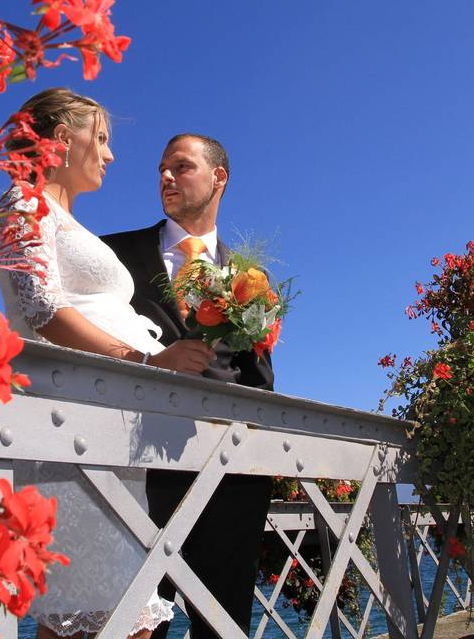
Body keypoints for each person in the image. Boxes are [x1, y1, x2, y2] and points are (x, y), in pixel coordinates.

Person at [0, 88, 216, 639]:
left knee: (114, 616)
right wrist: (146, 359)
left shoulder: (65, 218)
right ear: (64, 140)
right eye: (104, 138)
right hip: (71, 432)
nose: (111, 155)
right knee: (101, 616)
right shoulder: (23, 203)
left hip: (110, 433)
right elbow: (40, 309)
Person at [101, 134, 275, 638]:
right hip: (134, 470)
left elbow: (259, 380)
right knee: (134, 623)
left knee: (222, 624)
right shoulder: (115, 253)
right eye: (161, 168)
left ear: (219, 177)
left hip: (230, 478)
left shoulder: (251, 277)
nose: (166, 177)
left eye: (181, 166)